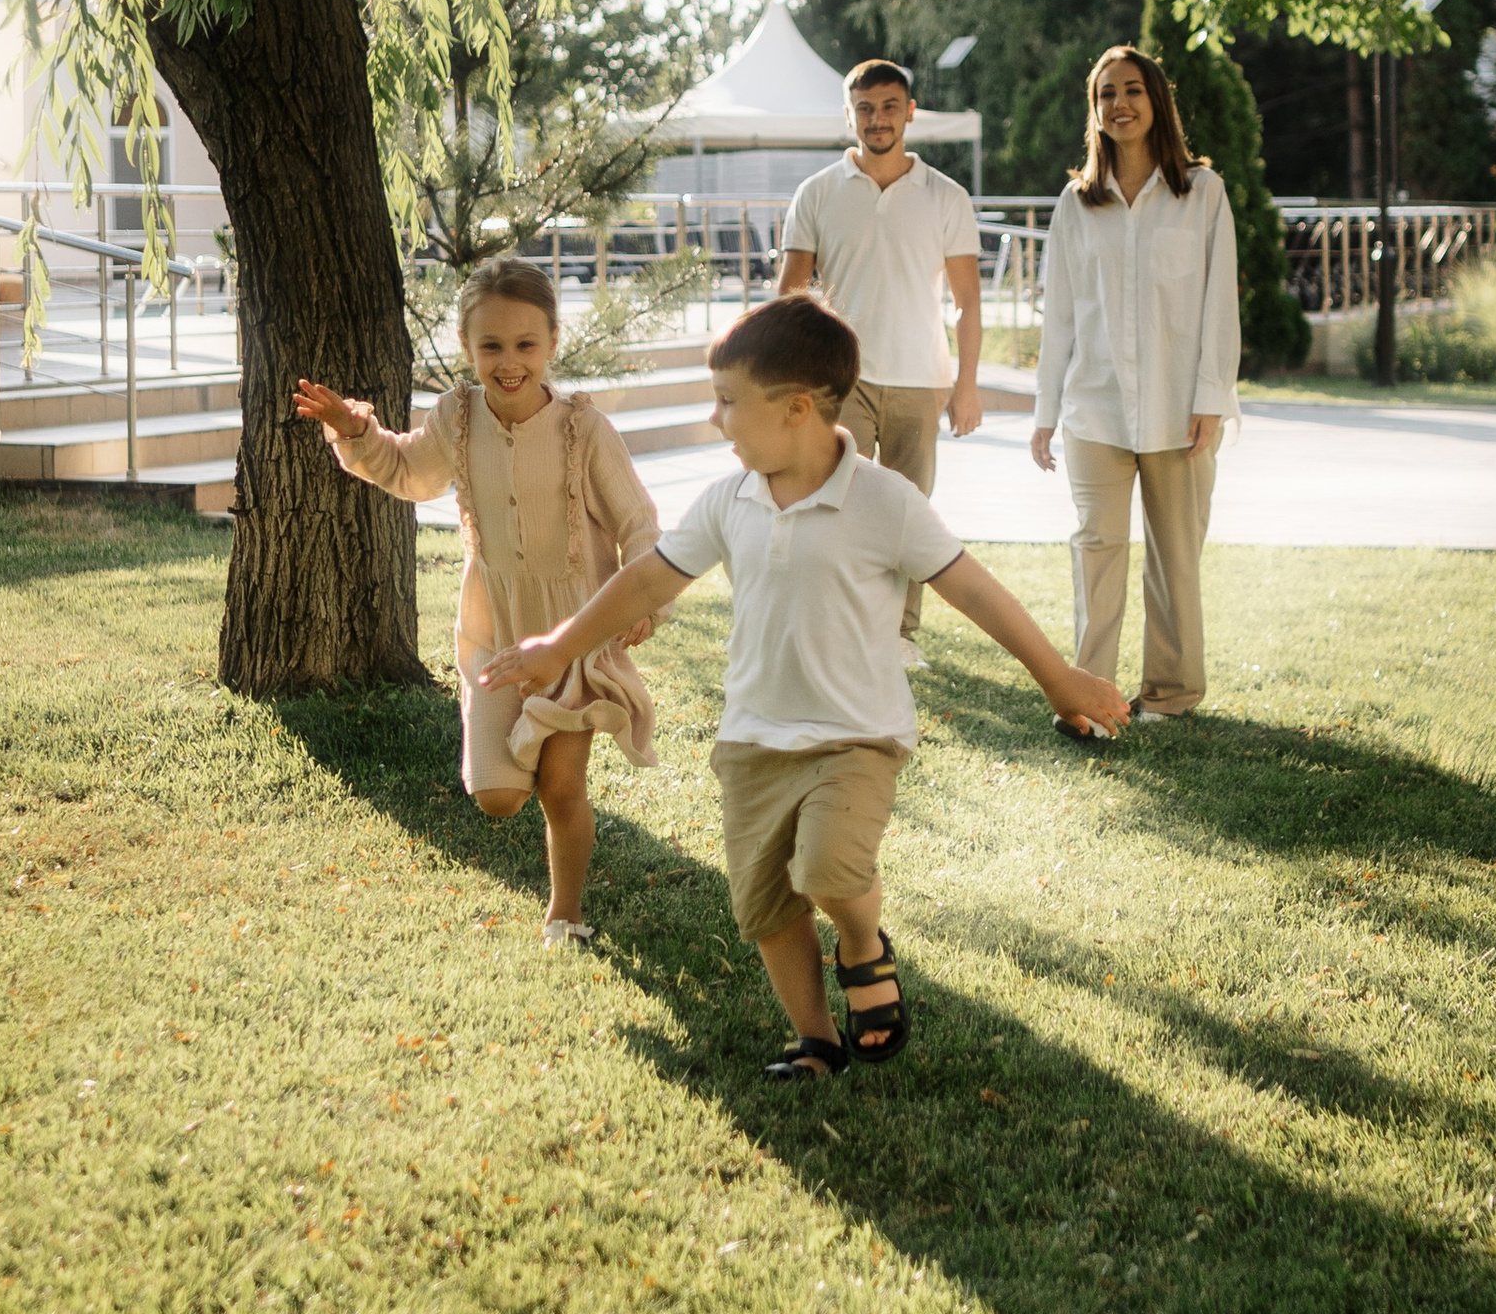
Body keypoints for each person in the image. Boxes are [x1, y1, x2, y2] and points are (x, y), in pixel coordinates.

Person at [486, 293, 1127, 1078]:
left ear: (795, 408)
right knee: (764, 905)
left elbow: (974, 592)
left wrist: (1058, 680)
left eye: (728, 401)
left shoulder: (884, 500)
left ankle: (862, 943)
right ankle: (816, 1040)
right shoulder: (730, 499)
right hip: (753, 738)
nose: (716, 419)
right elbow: (649, 580)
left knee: (827, 869)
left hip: (857, 736)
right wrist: (559, 645)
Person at [295, 255, 658, 945]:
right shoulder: (458, 419)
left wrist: (641, 601)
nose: (509, 362)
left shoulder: (583, 430)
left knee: (561, 787)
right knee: (496, 797)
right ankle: (525, 738)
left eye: (525, 344)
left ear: (552, 342)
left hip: (574, 636)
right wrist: (353, 429)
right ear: (467, 346)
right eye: (491, 346)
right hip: (495, 631)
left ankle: (565, 914)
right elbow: (406, 471)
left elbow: (639, 524)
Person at [1029, 44, 1239, 732]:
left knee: (1176, 560)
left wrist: (1211, 399)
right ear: (1094, 111)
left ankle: (1171, 694)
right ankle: (1091, 698)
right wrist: (1045, 412)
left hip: (1180, 412)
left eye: (1132, 91)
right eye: (1106, 94)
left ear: (1157, 101)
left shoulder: (1201, 193)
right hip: (1094, 409)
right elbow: (1060, 315)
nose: (1119, 104)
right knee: (1096, 552)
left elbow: (1219, 305)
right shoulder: (1076, 204)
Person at [777, 56, 982, 640]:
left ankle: (899, 635)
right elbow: (791, 296)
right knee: (835, 505)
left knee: (908, 513)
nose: (878, 118)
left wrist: (967, 385)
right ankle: (838, 628)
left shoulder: (946, 196)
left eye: (890, 106)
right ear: (849, 115)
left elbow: (968, 300)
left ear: (910, 112)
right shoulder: (816, 193)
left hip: (922, 379)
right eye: (865, 108)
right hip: (843, 380)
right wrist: (792, 380)